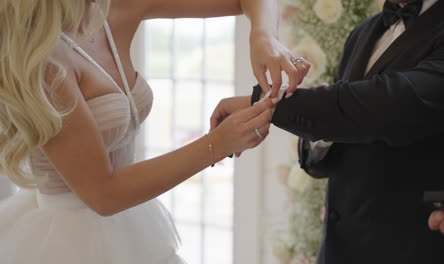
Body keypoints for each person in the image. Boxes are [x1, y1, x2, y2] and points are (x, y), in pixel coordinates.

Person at [0, 0, 310, 263]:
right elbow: (103, 195)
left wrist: (263, 36)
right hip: (66, 242)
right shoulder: (43, 62)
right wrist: (217, 143)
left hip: (129, 222)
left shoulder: (111, 10)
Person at [211, 0, 444, 263]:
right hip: (338, 251)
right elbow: (345, 122)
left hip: (418, 251)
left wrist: (266, 104)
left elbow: (392, 105)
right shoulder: (364, 31)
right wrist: (324, 130)